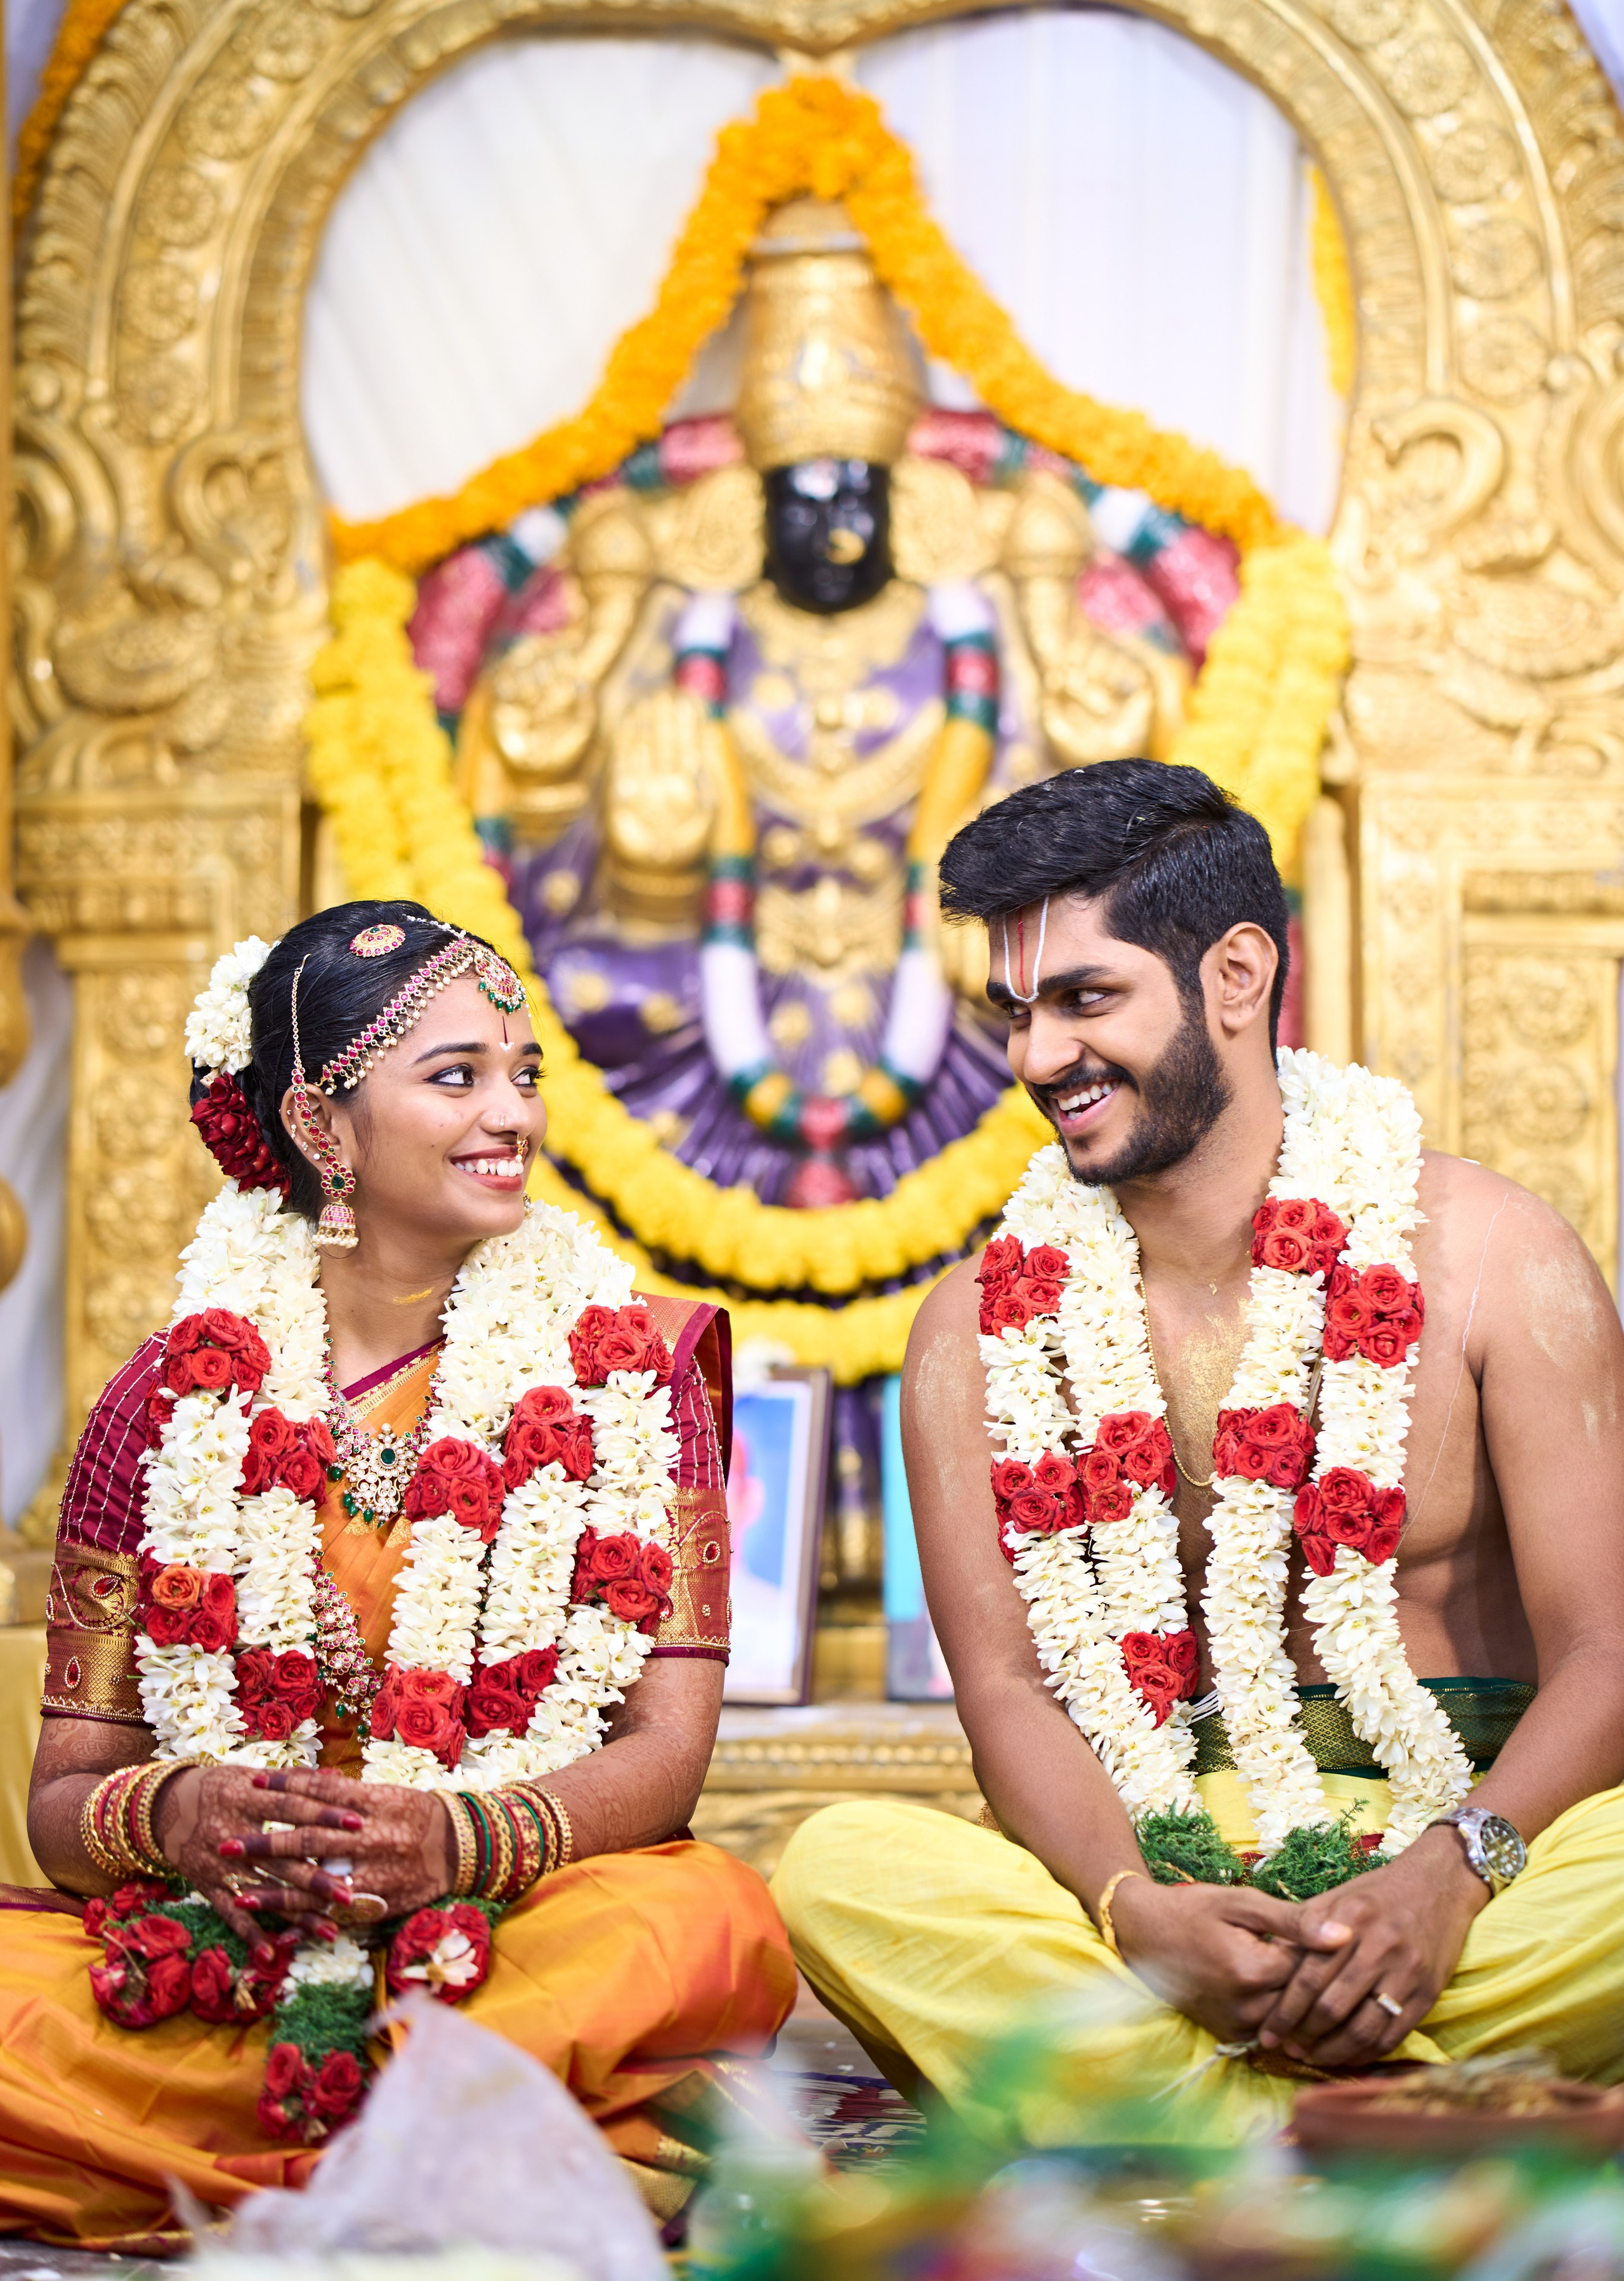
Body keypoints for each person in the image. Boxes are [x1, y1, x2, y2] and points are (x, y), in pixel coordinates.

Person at [772, 759, 1624, 2143]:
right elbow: (1003, 1691)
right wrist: (1134, 1914)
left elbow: (1607, 1653)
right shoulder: (975, 1328)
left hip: (1477, 1857)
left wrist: (1444, 1880)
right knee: (838, 1871)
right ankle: (1409, 2120)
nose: (1034, 1058)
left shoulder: (1484, 1256)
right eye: (1016, 1012)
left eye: (1083, 999)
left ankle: (1189, 2122)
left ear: (1234, 976)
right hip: (1162, 1879)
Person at [0, 900, 795, 2247]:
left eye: (523, 1073)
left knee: (698, 1928)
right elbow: (65, 1802)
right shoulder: (161, 1404)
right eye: (457, 1077)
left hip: (524, 1917)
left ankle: (276, 2156)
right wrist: (184, 1815)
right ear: (321, 1127)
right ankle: (456, 2145)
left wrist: (455, 1842)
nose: (515, 1117)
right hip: (233, 1935)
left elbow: (668, 1753)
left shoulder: (633, 1374)